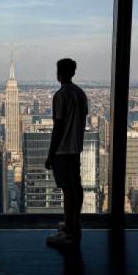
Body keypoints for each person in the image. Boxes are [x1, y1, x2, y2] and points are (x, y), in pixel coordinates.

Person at [45, 58, 88, 247]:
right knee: (76, 187)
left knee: (67, 190)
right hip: (75, 148)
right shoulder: (81, 94)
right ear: (73, 73)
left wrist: (50, 155)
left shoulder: (60, 96)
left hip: (62, 150)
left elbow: (58, 127)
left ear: (59, 74)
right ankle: (73, 223)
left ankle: (68, 233)